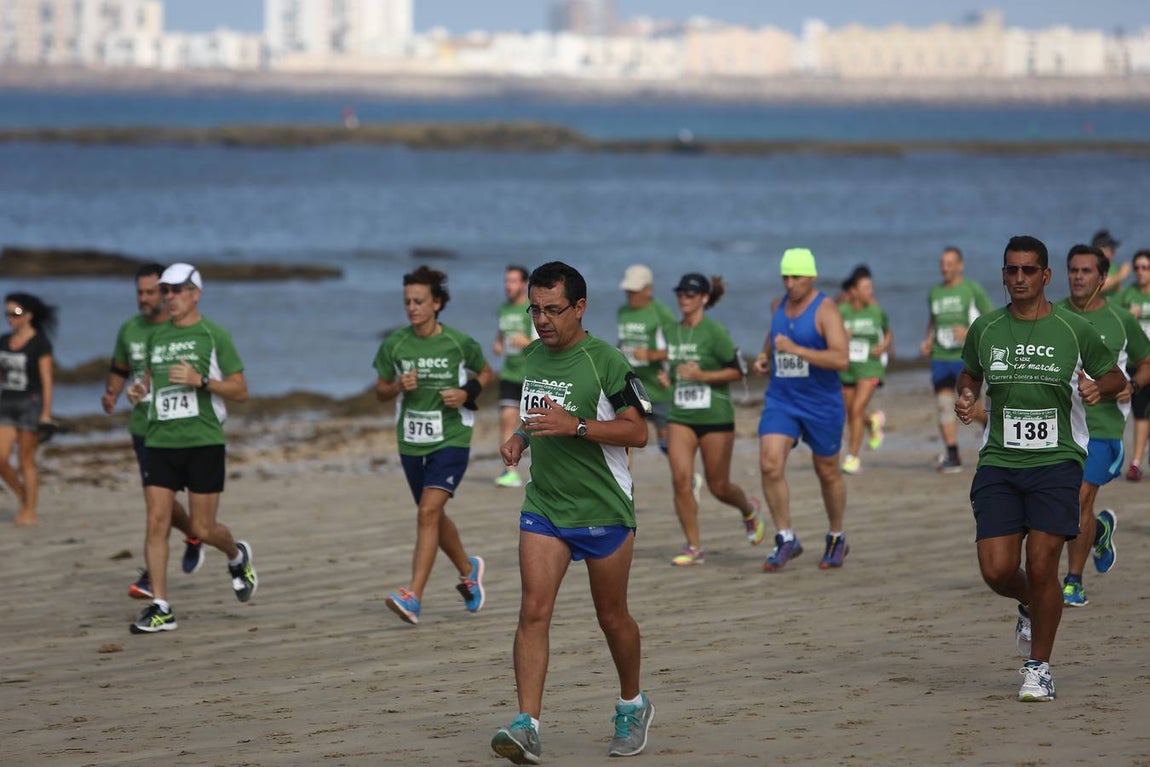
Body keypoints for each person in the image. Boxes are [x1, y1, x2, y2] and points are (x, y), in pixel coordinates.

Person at [491, 261, 654, 763]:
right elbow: (537, 417)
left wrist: (576, 426)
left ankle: (632, 704)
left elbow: (639, 433)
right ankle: (527, 725)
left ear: (579, 308)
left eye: (552, 310)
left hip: (602, 506)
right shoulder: (533, 356)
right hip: (545, 505)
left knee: (612, 617)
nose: (542, 319)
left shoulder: (605, 361)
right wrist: (520, 438)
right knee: (533, 611)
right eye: (535, 309)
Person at [955, 235, 1125, 702]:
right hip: (1000, 461)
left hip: (1058, 460)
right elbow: (969, 370)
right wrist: (968, 393)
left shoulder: (1073, 329)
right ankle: (1029, 602)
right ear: (1003, 274)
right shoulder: (986, 328)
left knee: (1044, 562)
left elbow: (1117, 377)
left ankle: (1039, 668)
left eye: (1029, 270)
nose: (1020, 279)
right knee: (996, 569)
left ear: (1046, 276)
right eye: (1012, 270)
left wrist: (1099, 389)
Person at [125, 263, 257, 634]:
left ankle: (236, 554)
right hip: (160, 440)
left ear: (195, 293)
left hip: (203, 440)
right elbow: (148, 383)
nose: (169, 297)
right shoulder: (156, 337)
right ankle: (161, 606)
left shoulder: (213, 334)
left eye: (177, 290)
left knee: (202, 526)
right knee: (156, 520)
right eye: (164, 290)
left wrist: (201, 381)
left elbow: (241, 390)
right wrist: (138, 391)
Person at [374, 265, 494, 625]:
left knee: (427, 513)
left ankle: (413, 596)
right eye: (407, 301)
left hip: (452, 437)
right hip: (411, 440)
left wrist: (466, 392)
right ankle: (468, 569)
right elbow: (380, 390)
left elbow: (486, 372)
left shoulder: (458, 342)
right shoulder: (394, 343)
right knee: (433, 515)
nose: (412, 307)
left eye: (419, 301)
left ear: (437, 303)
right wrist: (397, 387)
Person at [101, 263, 204, 598]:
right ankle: (152, 579)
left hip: (184, 428)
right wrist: (112, 393)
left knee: (163, 506)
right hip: (145, 429)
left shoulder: (184, 329)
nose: (144, 299)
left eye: (151, 292)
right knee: (156, 507)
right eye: (139, 292)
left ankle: (195, 532)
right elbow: (120, 367)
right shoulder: (129, 330)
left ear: (168, 293)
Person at [1055, 245, 1150, 607]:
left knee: (1079, 497)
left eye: (1086, 271)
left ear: (1103, 278)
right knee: (1062, 503)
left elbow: (1146, 361)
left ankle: (1074, 581)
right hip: (1061, 425)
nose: (1078, 277)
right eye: (1073, 270)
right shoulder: (1052, 315)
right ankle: (1100, 529)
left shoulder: (1121, 319)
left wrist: (1133, 385)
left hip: (1104, 426)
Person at [752, 248, 850, 572]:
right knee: (769, 463)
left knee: (827, 471)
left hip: (821, 404)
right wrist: (765, 355)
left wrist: (795, 350)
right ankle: (785, 537)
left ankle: (836, 536)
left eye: (796, 277)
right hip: (783, 399)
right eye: (785, 277)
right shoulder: (777, 305)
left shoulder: (826, 310)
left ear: (811, 277)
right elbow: (775, 335)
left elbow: (841, 359)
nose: (789, 283)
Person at [660, 272, 763, 566]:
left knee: (719, 486)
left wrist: (703, 376)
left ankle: (748, 509)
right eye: (680, 294)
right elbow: (676, 366)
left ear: (704, 298)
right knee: (681, 480)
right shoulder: (671, 331)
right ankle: (693, 547)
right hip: (681, 415)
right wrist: (668, 377)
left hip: (714, 414)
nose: (684, 299)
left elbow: (738, 371)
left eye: (690, 295)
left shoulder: (715, 332)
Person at [920, 246, 994, 473]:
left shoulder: (972, 290)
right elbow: (933, 321)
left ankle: (991, 424)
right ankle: (953, 455)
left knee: (971, 405)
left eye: (950, 263)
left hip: (965, 358)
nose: (945, 267)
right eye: (942, 263)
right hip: (941, 357)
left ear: (960, 265)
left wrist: (969, 331)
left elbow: (992, 319)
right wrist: (928, 340)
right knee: (944, 405)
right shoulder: (935, 293)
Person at [0, 293, 57, 527]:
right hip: (6, 403)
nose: (10, 318)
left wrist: (46, 413)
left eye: (15, 313)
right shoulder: (3, 341)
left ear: (29, 315)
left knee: (25, 459)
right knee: (1, 458)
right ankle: (24, 496)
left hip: (30, 404)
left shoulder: (40, 343)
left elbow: (47, 380)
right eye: (7, 313)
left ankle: (29, 509)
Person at [837, 265, 893, 475]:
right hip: (847, 369)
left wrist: (884, 345)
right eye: (865, 287)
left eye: (871, 286)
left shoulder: (876, 310)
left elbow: (888, 333)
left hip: (870, 367)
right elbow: (830, 335)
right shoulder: (842, 311)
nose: (870, 290)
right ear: (853, 291)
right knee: (852, 413)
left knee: (856, 409)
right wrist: (843, 337)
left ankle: (852, 457)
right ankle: (873, 420)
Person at [617, 264, 676, 457]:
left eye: (634, 291)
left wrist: (650, 355)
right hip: (631, 386)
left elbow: (679, 349)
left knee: (667, 444)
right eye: (628, 290)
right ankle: (624, 486)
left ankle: (689, 478)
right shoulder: (623, 311)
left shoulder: (661, 313)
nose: (629, 294)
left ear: (648, 289)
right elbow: (622, 342)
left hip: (659, 389)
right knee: (626, 439)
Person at [493, 265, 535, 489]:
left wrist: (525, 343)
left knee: (536, 424)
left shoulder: (532, 308)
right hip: (509, 372)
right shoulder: (503, 309)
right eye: (506, 281)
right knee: (506, 418)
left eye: (513, 281)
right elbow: (500, 336)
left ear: (523, 284)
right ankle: (509, 471)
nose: (508, 285)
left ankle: (540, 469)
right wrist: (498, 345)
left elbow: (546, 343)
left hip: (531, 375)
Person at [1115, 249, 1150, 480]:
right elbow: (1110, 314)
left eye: (1145, 267)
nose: (1139, 272)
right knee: (1141, 412)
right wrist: (1129, 314)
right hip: (1139, 365)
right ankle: (1136, 463)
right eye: (1136, 267)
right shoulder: (1128, 295)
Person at [1092, 230, 1130, 294]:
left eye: (1114, 249)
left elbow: (1119, 291)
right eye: (1111, 249)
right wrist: (1120, 276)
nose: (1114, 252)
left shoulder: (1113, 267)